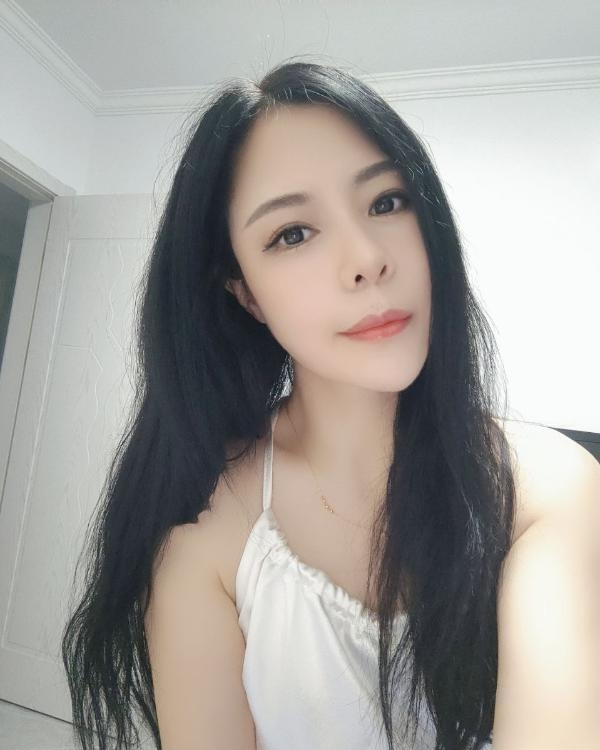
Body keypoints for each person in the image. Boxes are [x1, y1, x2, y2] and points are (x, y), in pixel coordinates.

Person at [62, 59, 517, 749]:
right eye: (292, 234)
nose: (366, 258)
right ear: (246, 294)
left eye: (387, 201)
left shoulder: (536, 487)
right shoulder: (210, 531)